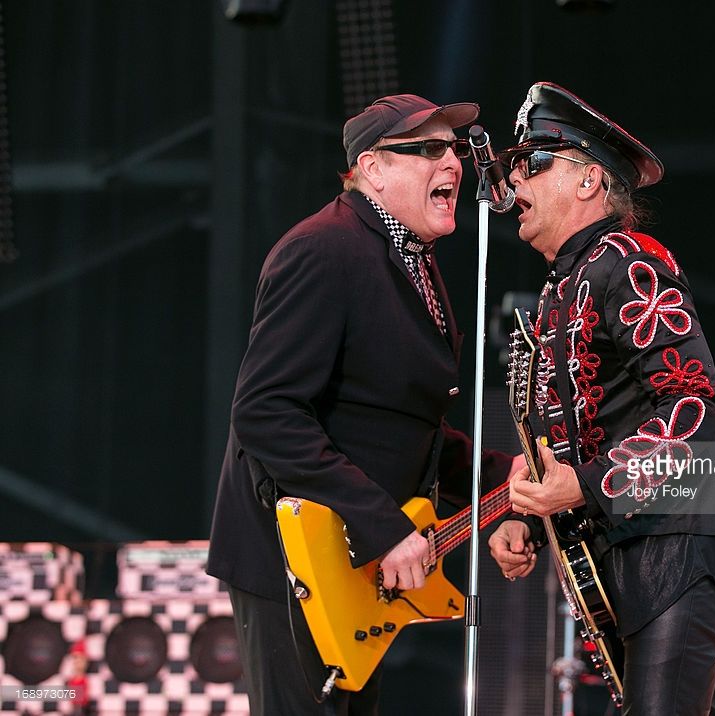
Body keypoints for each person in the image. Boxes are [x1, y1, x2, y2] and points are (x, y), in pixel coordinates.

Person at [207, 93, 523, 715]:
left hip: (354, 568)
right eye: (427, 149)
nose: (452, 162)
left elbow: (396, 424)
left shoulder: (410, 257)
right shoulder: (323, 248)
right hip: (298, 559)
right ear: (373, 168)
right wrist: (386, 526)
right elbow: (266, 411)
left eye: (452, 149)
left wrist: (501, 476)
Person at [487, 82, 715, 716]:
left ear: (588, 180)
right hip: (635, 554)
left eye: (533, 163)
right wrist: (527, 514)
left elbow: (693, 410)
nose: (513, 181)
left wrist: (583, 486)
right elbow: (578, 436)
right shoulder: (561, 288)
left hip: (680, 544)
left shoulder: (630, 261)